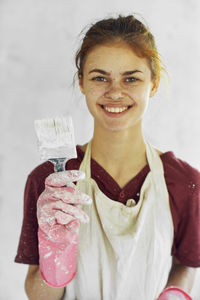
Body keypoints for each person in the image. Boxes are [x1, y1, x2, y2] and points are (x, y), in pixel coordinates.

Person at [15, 14, 200, 300]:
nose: (115, 92)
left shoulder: (185, 183)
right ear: (82, 83)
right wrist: (56, 252)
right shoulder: (50, 182)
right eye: (100, 77)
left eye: (131, 78)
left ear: (153, 83)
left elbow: (185, 264)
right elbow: (37, 295)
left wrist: (174, 295)